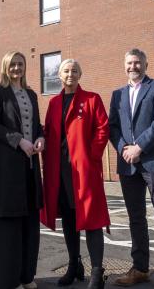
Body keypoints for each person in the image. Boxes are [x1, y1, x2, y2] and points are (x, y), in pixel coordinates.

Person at [108, 48, 154, 289]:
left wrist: (138, 147)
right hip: (128, 165)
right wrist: (124, 149)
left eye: (137, 63)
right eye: (129, 63)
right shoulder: (117, 94)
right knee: (136, 219)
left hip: (153, 161)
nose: (133, 67)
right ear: (124, 66)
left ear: (146, 64)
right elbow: (113, 127)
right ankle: (140, 268)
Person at [40, 59, 110, 288]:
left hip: (84, 171)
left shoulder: (91, 99)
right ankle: (74, 264)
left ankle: (97, 273)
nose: (70, 74)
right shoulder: (54, 103)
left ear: (80, 74)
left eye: (74, 71)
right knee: (69, 219)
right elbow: (49, 133)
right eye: (66, 71)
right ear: (59, 76)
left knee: (92, 220)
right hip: (60, 171)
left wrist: (91, 155)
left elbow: (103, 129)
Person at [0, 51, 45, 289]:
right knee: (10, 226)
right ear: (5, 67)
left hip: (30, 167)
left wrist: (41, 137)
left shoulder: (31, 94)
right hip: (8, 168)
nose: (17, 68)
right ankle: (9, 282)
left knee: (31, 223)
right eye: (12, 65)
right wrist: (19, 140)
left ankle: (27, 276)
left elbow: (38, 123)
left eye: (20, 64)